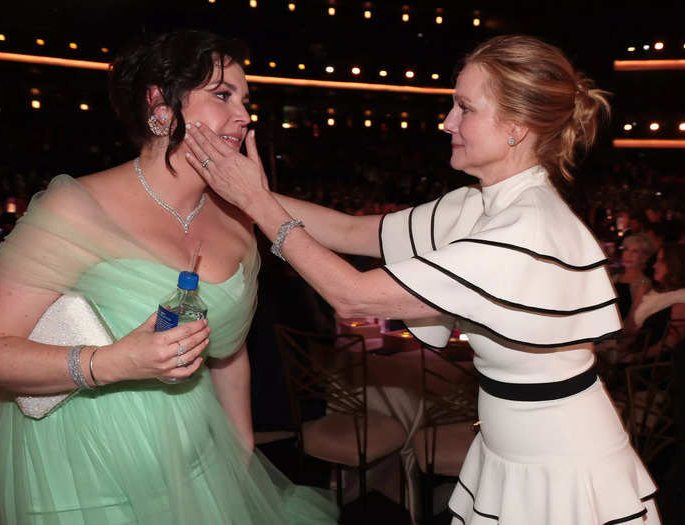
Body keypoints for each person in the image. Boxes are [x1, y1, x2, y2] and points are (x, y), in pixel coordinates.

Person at [184, 35, 660, 523]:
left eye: (464, 109)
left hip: (558, 467)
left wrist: (257, 203)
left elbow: (352, 297)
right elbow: (351, 231)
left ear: (516, 127)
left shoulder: (525, 228)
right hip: (510, 447)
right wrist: (246, 192)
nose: (448, 122)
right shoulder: (481, 203)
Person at [0, 29, 337, 525]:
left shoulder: (237, 220)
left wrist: (238, 453)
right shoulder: (77, 207)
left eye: (245, 99)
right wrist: (108, 362)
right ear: (161, 105)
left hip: (195, 471)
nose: (243, 114)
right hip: (78, 480)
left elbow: (227, 353)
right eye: (222, 95)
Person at [630, 243, 685, 358]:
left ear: (674, 265)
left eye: (661, 261)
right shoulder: (656, 292)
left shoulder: (681, 300)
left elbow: (671, 344)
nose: (654, 266)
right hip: (634, 353)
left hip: (649, 366)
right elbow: (634, 327)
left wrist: (633, 357)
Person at [613, 233, 655, 320]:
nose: (628, 255)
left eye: (635, 251)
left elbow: (633, 320)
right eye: (626, 250)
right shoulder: (614, 278)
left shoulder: (644, 284)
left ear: (644, 257)